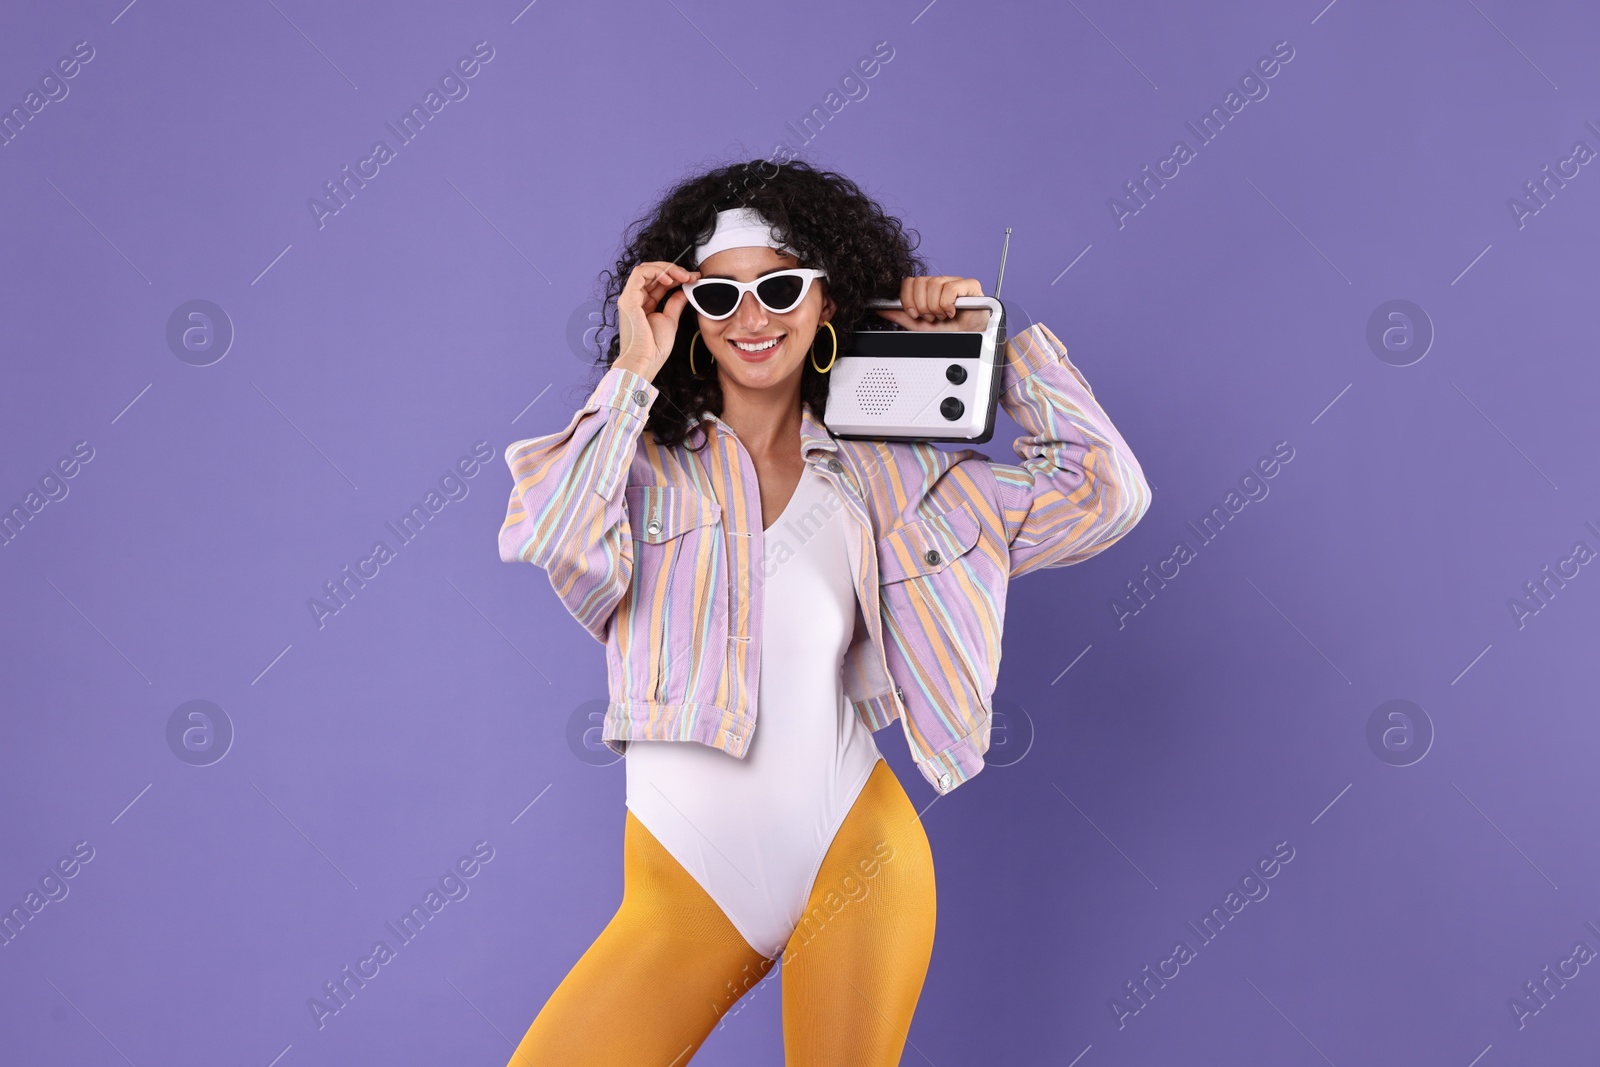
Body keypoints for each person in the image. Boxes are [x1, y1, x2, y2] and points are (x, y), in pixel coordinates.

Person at [497, 159, 1152, 1065]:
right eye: (719, 298)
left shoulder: (892, 477)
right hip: (683, 886)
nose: (752, 318)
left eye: (777, 287)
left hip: (858, 854)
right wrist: (632, 370)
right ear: (688, 315)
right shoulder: (643, 464)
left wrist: (994, 346)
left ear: (827, 300)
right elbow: (555, 538)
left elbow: (1104, 492)